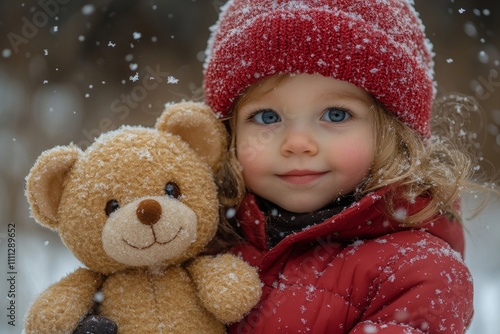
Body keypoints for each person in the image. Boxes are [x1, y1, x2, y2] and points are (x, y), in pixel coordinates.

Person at [203, 1, 498, 333]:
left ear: (392, 131)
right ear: (227, 134)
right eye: (267, 117)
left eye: (335, 114)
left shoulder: (418, 272)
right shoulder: (199, 243)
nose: (297, 143)